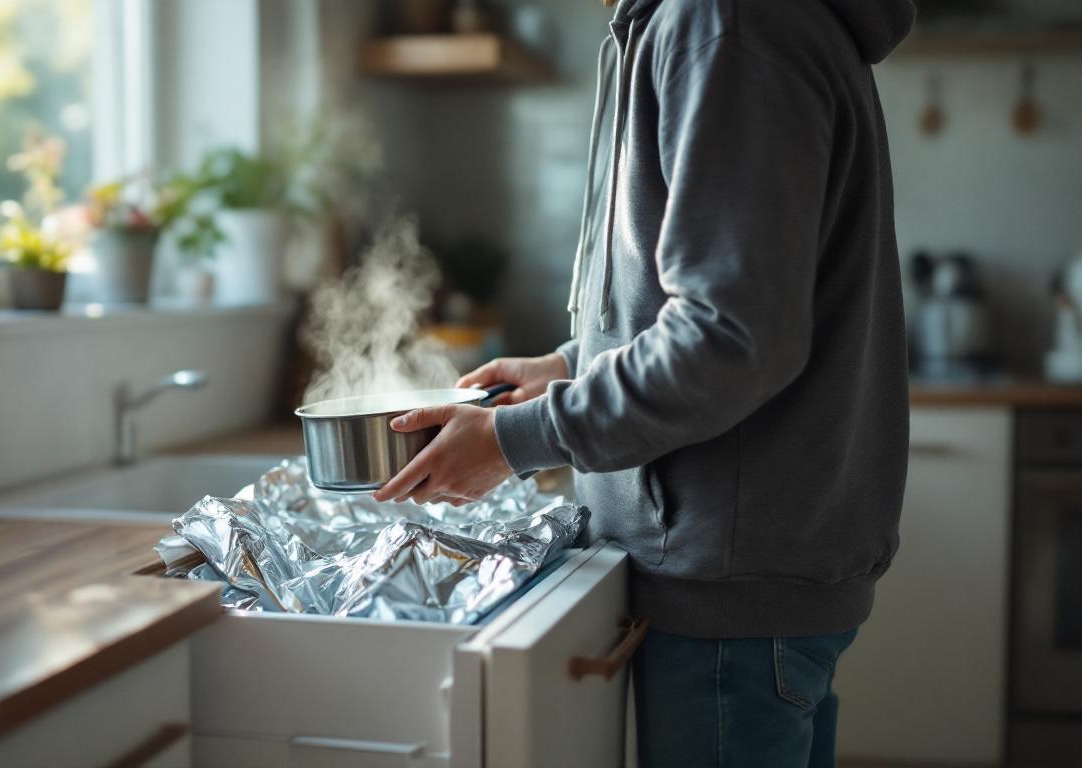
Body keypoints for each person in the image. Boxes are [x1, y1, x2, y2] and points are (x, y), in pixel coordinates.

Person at [372, 0, 915, 764]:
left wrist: (515, 439)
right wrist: (571, 364)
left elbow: (733, 338)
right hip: (749, 574)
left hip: (728, 588)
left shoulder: (725, 24)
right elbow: (721, 306)